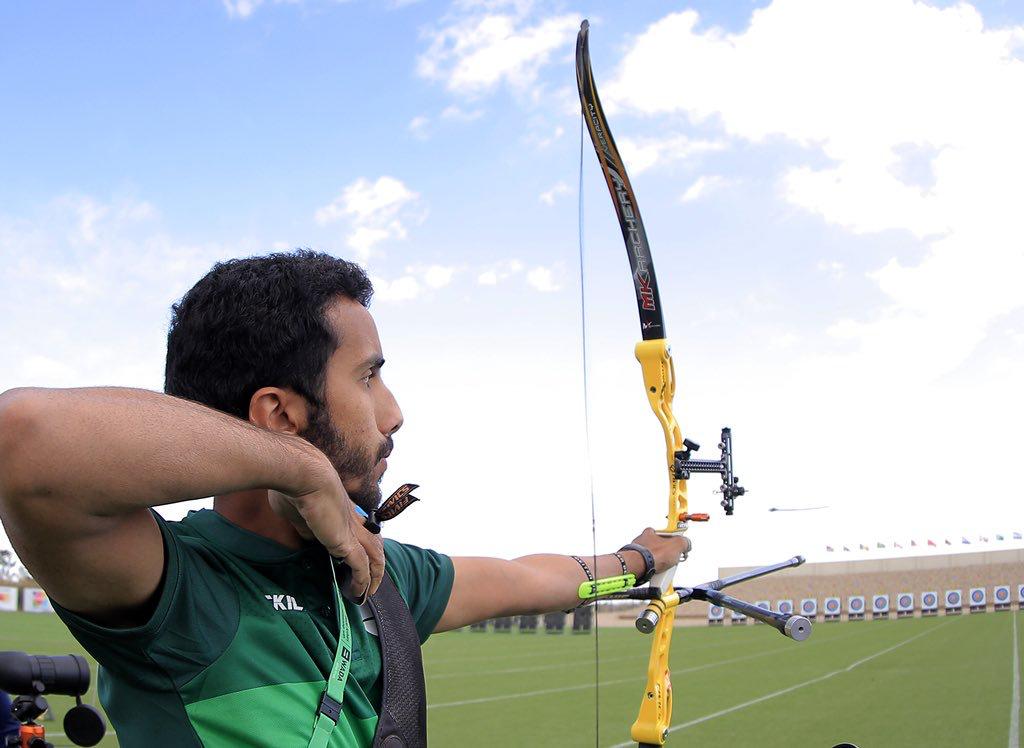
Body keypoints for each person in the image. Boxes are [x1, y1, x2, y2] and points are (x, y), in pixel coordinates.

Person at [0, 250, 687, 747]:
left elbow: (530, 578)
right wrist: (305, 472)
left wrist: (636, 559)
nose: (393, 412)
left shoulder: (376, 578)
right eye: (368, 378)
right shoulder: (176, 586)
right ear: (280, 414)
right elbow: (24, 439)